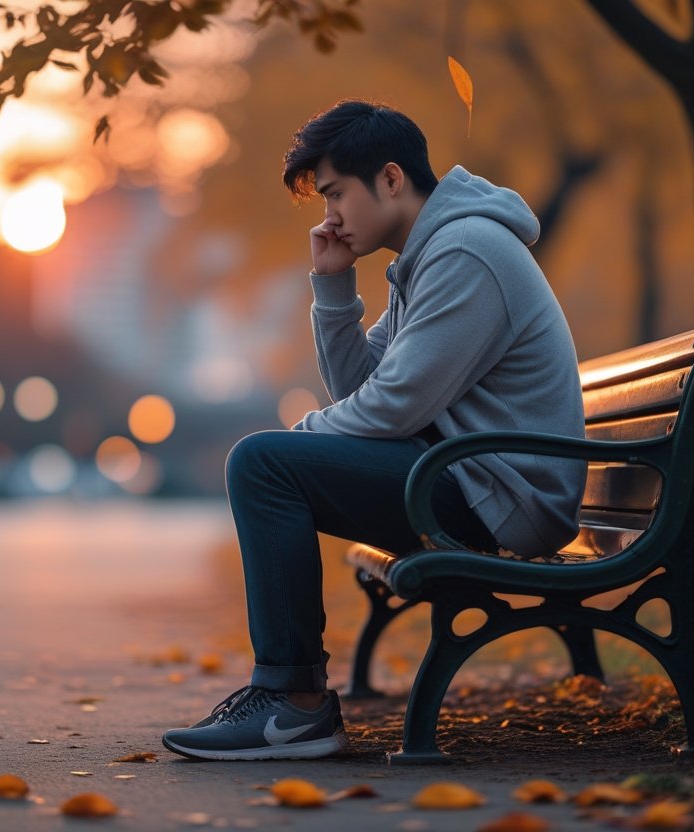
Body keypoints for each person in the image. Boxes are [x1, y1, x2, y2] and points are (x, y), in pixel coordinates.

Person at [161, 100, 587, 761]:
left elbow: (391, 409)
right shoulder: (431, 255)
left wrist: (299, 440)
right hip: (476, 478)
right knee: (269, 462)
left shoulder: (466, 252)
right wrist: (333, 289)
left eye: (336, 193)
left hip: (503, 496)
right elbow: (365, 391)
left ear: (390, 179)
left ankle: (293, 704)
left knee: (261, 463)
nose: (329, 216)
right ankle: (290, 700)